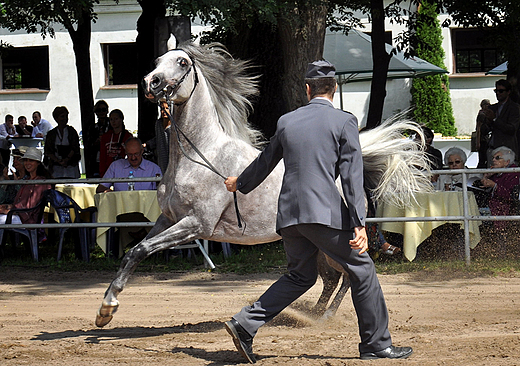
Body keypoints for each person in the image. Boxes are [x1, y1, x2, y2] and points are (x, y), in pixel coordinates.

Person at [223, 60, 412, 363]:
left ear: (307, 89)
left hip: (289, 217)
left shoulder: (286, 121)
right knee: (363, 270)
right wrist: (360, 223)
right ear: (334, 89)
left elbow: (265, 161)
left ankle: (244, 324)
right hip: (322, 213)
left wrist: (239, 182)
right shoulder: (344, 121)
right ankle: (376, 345)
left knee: (301, 276)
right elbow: (351, 176)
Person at [479, 146, 520, 256]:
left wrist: (494, 185)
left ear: (507, 162)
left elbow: (512, 195)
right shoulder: (496, 173)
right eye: (493, 158)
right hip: (492, 206)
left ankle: (502, 252)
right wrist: (486, 177)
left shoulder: (514, 172)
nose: (494, 160)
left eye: (498, 158)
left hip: (507, 207)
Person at [0, 147, 51, 225]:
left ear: (38, 163)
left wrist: (10, 211)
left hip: (27, 219)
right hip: (19, 214)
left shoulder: (41, 182)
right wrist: (7, 207)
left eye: (31, 160)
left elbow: (30, 207)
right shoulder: (27, 179)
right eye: (25, 160)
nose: (27, 163)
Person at [96, 137, 161, 193]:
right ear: (125, 152)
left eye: (136, 154)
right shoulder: (115, 166)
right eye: (130, 154)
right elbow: (100, 189)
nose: (133, 158)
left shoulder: (154, 168)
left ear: (142, 151)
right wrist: (112, 194)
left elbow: (162, 192)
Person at [44, 106, 81, 178]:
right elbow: (48, 150)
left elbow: (75, 147)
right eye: (62, 116)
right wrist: (58, 160)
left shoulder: (71, 131)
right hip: (56, 166)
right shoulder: (51, 134)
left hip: (71, 165)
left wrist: (67, 159)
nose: (65, 119)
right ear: (56, 118)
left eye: (66, 116)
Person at [488, 79, 520, 161]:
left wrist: (494, 119)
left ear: (508, 92)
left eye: (501, 91)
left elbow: (512, 129)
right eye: (496, 91)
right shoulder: (493, 108)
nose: (498, 93)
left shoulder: (514, 108)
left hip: (507, 150)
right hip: (492, 148)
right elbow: (486, 129)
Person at [99, 109, 132, 177]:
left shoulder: (128, 136)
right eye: (111, 119)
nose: (113, 122)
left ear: (121, 119)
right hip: (108, 170)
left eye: (116, 119)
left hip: (123, 170)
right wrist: (102, 173)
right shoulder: (105, 137)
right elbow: (102, 156)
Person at [144, 101, 171, 174]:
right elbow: (158, 139)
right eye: (162, 109)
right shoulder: (158, 124)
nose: (164, 111)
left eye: (166, 108)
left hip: (172, 158)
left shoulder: (175, 126)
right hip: (162, 159)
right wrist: (147, 144)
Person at [92, 100, 112, 177]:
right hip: (97, 157)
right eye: (99, 110)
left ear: (107, 111)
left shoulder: (112, 125)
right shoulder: (93, 128)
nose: (101, 112)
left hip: (110, 155)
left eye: (103, 110)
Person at [475, 99, 495, 168]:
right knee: (482, 158)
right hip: (483, 139)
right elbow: (478, 128)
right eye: (486, 104)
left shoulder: (490, 114)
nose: (487, 106)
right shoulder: (481, 115)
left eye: (488, 104)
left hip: (489, 139)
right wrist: (478, 142)